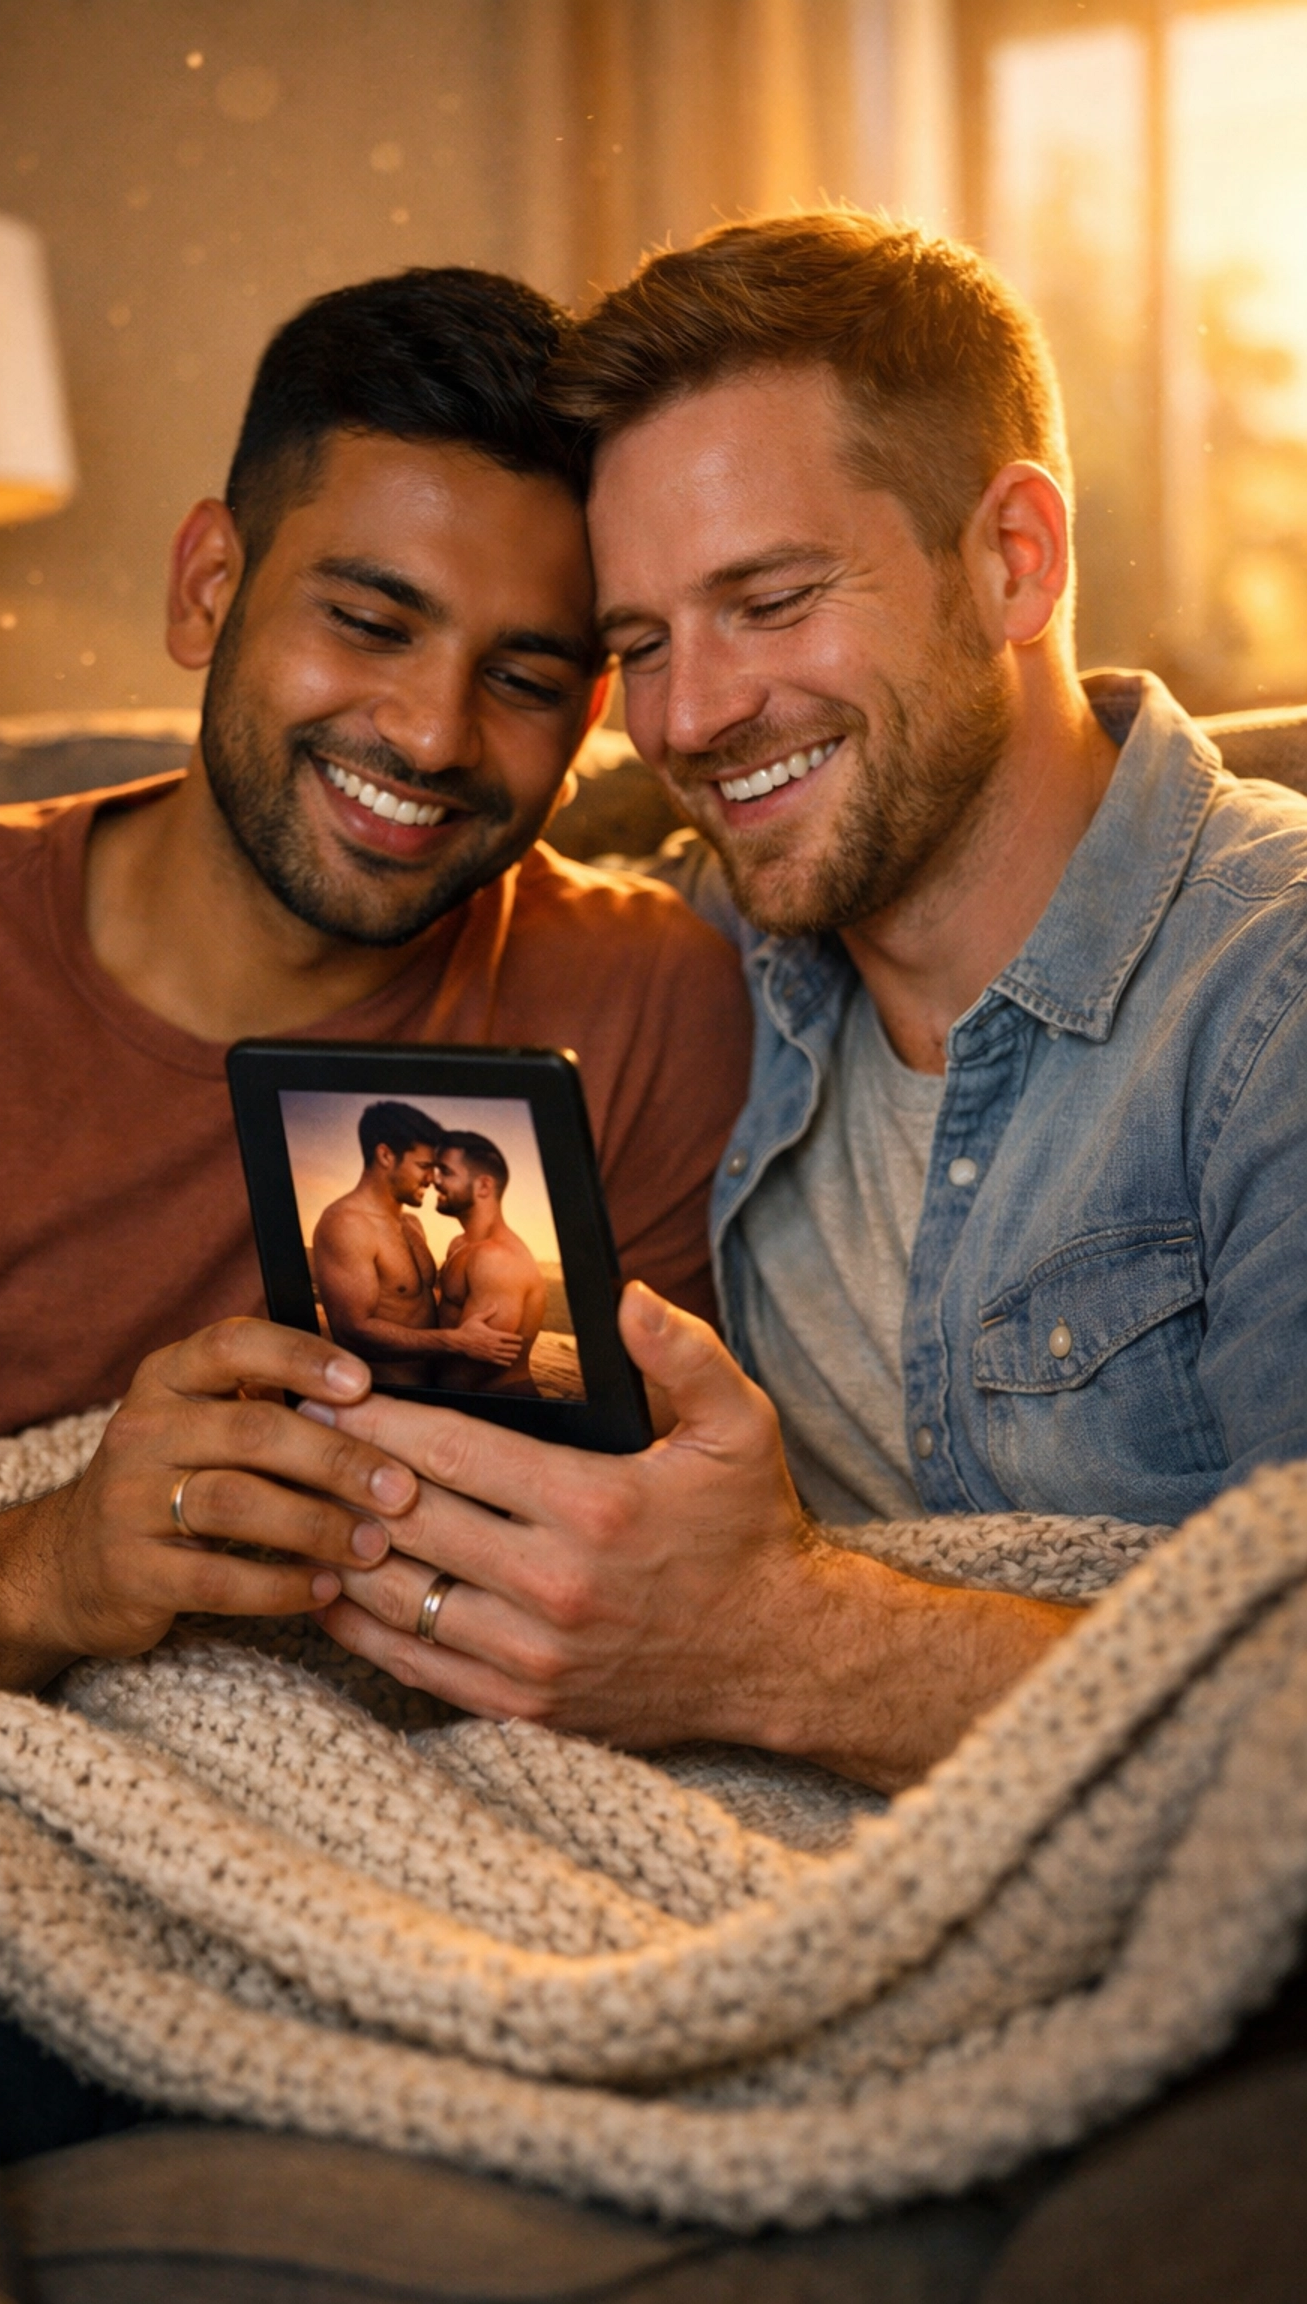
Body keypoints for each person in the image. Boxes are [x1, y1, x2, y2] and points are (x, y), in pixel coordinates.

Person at [0, 266, 753, 2289]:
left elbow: (642, 1603)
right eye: (369, 621)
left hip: (400, 1865)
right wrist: (53, 1562)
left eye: (524, 674)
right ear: (208, 583)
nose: (428, 734)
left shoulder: (649, 993)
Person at [310, 211, 1307, 1797]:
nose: (693, 717)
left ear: (1014, 557)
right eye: (642, 642)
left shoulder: (1272, 995)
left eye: (771, 600)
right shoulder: (690, 955)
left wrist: (760, 1641)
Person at [311, 1102, 523, 1383]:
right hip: (385, 1395)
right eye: (424, 1166)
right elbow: (352, 1331)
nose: (432, 1179)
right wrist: (455, 1341)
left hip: (430, 1388)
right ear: (385, 1155)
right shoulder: (346, 1224)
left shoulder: (411, 1224)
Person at [431, 1130, 548, 1396]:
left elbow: (472, 1369)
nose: (435, 1181)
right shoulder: (461, 1245)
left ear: (483, 1186)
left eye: (446, 1172)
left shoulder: (496, 1259)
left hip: (499, 1407)